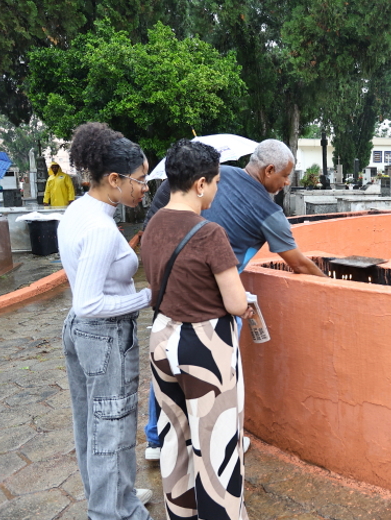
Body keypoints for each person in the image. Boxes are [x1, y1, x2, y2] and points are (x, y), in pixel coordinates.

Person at [141, 139, 325, 460]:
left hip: (172, 293)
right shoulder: (268, 212)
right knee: (219, 376)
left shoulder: (217, 173)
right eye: (285, 177)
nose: (285, 184)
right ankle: (222, 444)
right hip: (213, 305)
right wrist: (329, 285)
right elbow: (298, 264)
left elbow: (164, 199)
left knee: (168, 361)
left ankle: (158, 440)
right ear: (269, 170)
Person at [141, 139, 252, 520]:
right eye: (217, 182)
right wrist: (247, 304)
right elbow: (236, 303)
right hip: (204, 346)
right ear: (201, 184)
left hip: (162, 337)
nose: (218, 190)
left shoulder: (153, 224)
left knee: (175, 435)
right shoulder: (209, 233)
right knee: (217, 442)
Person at [57, 122, 155, 520]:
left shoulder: (80, 210)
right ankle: (116, 512)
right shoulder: (99, 228)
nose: (145, 187)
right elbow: (90, 303)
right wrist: (148, 296)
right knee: (111, 430)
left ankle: (117, 497)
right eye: (141, 179)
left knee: (90, 424)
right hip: (104, 335)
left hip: (83, 336)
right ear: (114, 179)